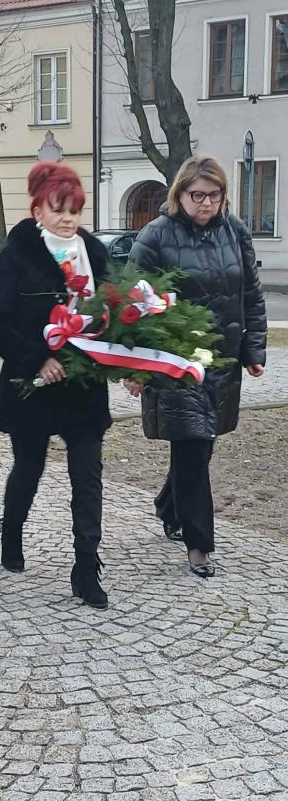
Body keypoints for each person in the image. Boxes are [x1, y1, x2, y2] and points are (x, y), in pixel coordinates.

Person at [126, 155, 266, 578]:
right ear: (180, 194)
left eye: (214, 195)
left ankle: (169, 507)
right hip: (176, 360)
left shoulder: (235, 231)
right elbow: (132, 299)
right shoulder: (156, 235)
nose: (206, 203)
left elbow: (251, 293)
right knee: (191, 445)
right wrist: (136, 365)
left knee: (202, 445)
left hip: (222, 359)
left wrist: (254, 350)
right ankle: (199, 544)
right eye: (197, 195)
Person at [0, 162, 111, 609]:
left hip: (84, 387)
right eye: (58, 210)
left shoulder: (95, 253)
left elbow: (115, 312)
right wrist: (38, 357)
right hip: (34, 384)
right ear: (37, 210)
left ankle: (86, 566)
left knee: (87, 476)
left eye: (74, 210)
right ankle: (12, 530)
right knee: (29, 466)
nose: (67, 219)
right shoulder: (16, 256)